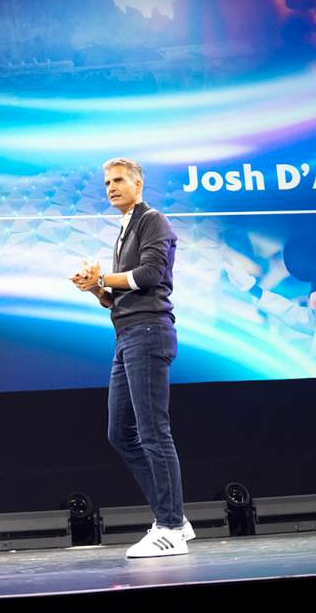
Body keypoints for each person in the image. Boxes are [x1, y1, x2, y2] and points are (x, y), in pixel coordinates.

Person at [71, 158, 194, 558]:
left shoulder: (152, 221)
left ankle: (171, 528)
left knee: (154, 431)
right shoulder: (124, 230)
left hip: (149, 333)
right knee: (119, 434)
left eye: (119, 180)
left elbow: (148, 277)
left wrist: (103, 277)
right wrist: (95, 288)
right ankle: (174, 516)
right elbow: (117, 298)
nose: (111, 187)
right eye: (107, 181)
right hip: (126, 336)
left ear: (138, 184)